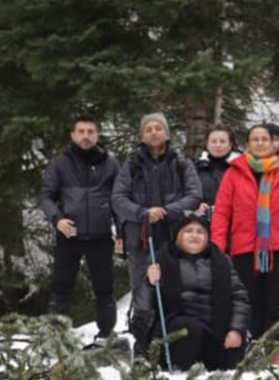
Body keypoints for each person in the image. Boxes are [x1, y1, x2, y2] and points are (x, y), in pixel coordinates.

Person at [112, 113, 202, 350]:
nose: (153, 132)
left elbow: (194, 195)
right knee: (142, 289)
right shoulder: (131, 164)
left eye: (158, 128)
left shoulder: (181, 163)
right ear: (142, 135)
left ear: (167, 133)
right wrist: (142, 212)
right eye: (148, 129)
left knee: (175, 287)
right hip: (140, 238)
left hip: (173, 236)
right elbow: (118, 197)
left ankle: (174, 341)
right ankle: (142, 343)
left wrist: (167, 211)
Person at [211, 124, 279, 338]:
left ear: (272, 143)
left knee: (278, 300)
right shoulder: (234, 172)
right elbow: (222, 212)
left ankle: (275, 346)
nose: (260, 143)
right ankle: (250, 346)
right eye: (255, 139)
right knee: (247, 299)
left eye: (265, 139)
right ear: (248, 144)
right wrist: (217, 244)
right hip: (244, 247)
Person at [40, 115, 120, 343]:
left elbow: (119, 199)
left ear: (97, 135)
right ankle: (57, 337)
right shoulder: (59, 163)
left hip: (100, 235)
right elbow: (47, 196)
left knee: (105, 290)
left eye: (90, 132)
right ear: (73, 135)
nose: (86, 136)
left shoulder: (110, 163)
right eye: (81, 131)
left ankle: (106, 337)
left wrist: (121, 233)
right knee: (61, 288)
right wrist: (57, 220)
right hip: (69, 235)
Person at [144, 214, 250, 371]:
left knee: (232, 357)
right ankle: (179, 372)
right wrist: (150, 283)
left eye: (200, 232)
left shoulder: (221, 261)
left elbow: (240, 298)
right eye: (188, 231)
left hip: (215, 330)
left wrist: (236, 330)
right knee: (187, 328)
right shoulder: (160, 259)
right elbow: (144, 303)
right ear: (178, 236)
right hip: (176, 330)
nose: (194, 235)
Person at [195, 125, 240, 217]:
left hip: (233, 220)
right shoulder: (196, 168)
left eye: (222, 141)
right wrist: (196, 205)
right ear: (207, 144)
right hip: (202, 220)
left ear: (230, 144)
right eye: (213, 141)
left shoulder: (241, 168)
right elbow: (187, 194)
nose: (218, 145)